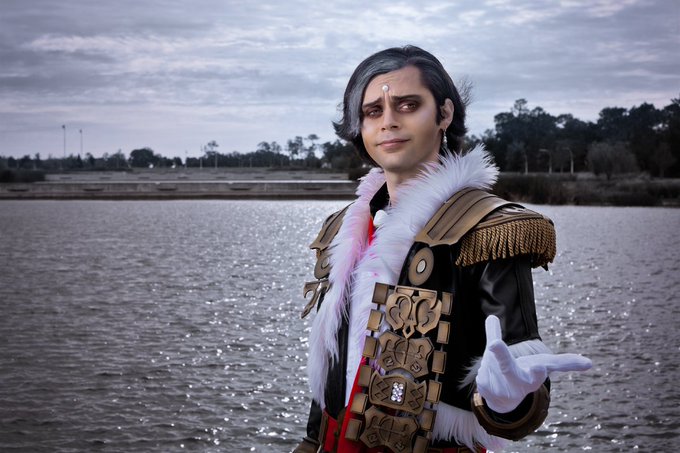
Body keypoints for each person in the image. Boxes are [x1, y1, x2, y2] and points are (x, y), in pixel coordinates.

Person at [294, 45, 591, 453]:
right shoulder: (344, 229)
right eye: (373, 111)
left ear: (444, 114)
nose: (389, 121)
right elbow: (333, 361)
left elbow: (519, 384)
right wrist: (311, 442)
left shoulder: (487, 229)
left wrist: (506, 400)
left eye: (408, 105)